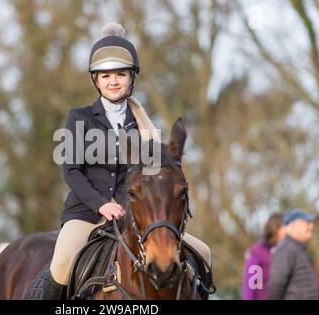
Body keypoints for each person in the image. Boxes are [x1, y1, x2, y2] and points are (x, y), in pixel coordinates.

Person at [42, 22, 211, 300]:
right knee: (61, 266)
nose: (113, 81)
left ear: (132, 78)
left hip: (135, 218)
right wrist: (101, 204)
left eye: (120, 74)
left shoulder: (142, 122)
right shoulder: (80, 118)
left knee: (203, 253)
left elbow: (154, 176)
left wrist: (146, 127)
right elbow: (71, 171)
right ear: (95, 80)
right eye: (105, 75)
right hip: (86, 214)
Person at [267, 209, 319, 300]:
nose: (311, 226)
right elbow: (276, 286)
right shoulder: (285, 249)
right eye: (307, 223)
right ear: (293, 226)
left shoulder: (298, 249)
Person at [241, 212, 285, 300]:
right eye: (286, 227)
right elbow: (249, 288)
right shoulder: (257, 252)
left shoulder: (285, 251)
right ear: (277, 229)